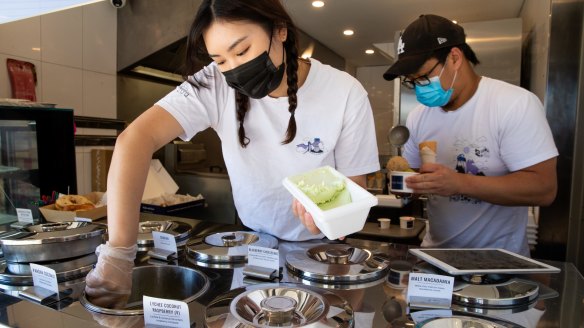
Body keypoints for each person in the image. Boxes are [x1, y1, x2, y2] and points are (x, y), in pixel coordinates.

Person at [84, 0, 379, 308]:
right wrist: (119, 251)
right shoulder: (214, 83)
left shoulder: (345, 91)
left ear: (280, 31)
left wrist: (333, 217)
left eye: (242, 51)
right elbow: (135, 139)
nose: (234, 69)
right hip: (253, 248)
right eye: (220, 60)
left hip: (323, 254)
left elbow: (353, 194)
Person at [383, 14, 557, 257]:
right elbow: (416, 180)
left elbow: (544, 188)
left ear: (454, 58)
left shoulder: (514, 104)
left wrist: (458, 183)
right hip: (436, 257)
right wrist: (407, 186)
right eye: (411, 81)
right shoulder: (419, 116)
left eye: (422, 76)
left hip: (499, 261)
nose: (419, 86)